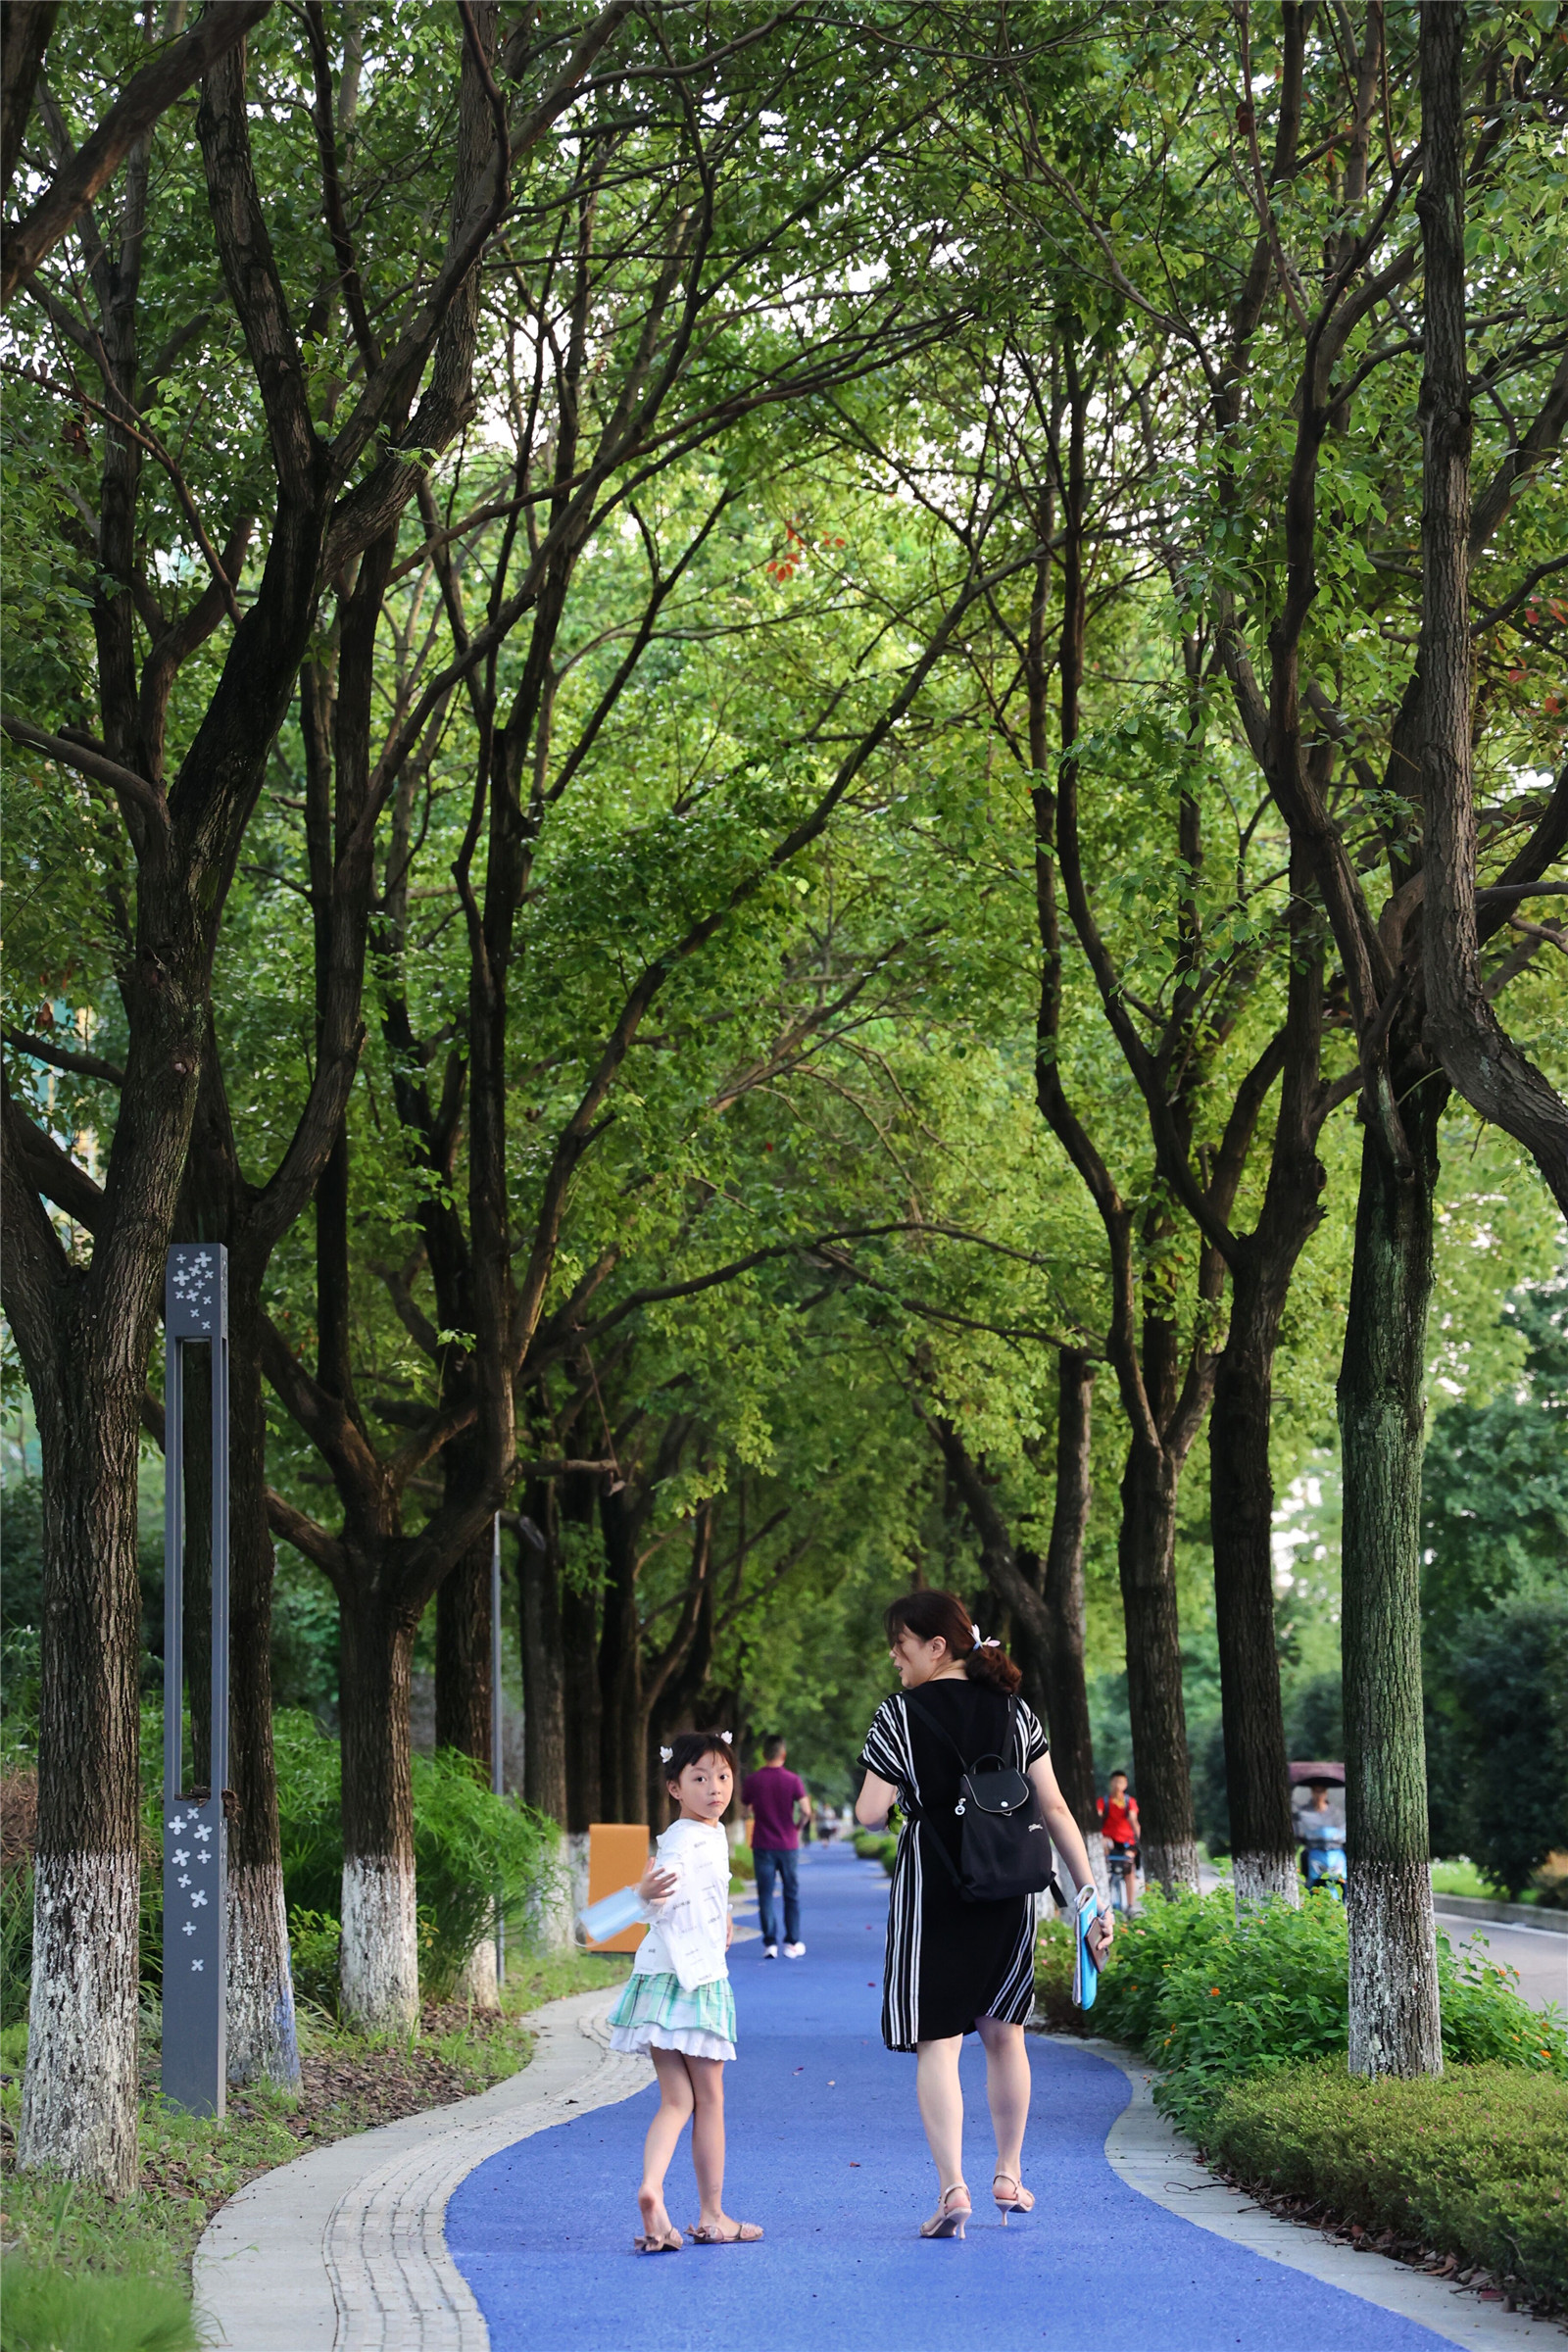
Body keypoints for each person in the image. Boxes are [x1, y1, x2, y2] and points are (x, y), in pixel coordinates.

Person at [856, 1590, 1113, 2241]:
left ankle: (952, 2188)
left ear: (936, 1646)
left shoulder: (898, 1715)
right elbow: (1056, 1809)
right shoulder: (1015, 1710)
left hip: (933, 1892)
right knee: (1006, 2036)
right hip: (1006, 1887)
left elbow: (868, 1812)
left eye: (900, 1646)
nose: (894, 1658)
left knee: (938, 2044)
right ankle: (1008, 2173)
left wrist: (905, 1803)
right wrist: (1089, 1898)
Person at [605, 1730, 763, 2251]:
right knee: (710, 2099)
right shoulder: (683, 1838)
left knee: (676, 2100)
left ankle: (652, 2188)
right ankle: (713, 2215)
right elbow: (661, 1891)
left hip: (658, 1978)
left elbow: (699, 1891)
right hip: (696, 1981)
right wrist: (644, 1896)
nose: (715, 1788)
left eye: (723, 1776)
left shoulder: (706, 1835)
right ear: (675, 1787)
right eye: (699, 1778)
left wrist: (724, 1916)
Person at [742, 1735, 812, 1958]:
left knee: (765, 1894)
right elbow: (806, 1810)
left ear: (764, 1754)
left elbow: (745, 1811)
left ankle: (770, 1944)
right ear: (783, 1754)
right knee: (791, 1892)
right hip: (788, 1844)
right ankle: (792, 1942)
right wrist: (798, 1826)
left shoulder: (753, 1780)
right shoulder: (793, 1780)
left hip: (762, 1843)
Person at [1098, 1770, 1141, 1913]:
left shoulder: (1130, 1802)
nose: (1118, 1785)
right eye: (1115, 1781)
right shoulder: (1104, 1801)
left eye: (1121, 1782)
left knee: (1129, 1869)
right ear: (1111, 1783)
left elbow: (1133, 1819)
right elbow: (1097, 1815)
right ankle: (1104, 1899)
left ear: (1126, 1784)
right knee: (1104, 1859)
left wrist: (1138, 1839)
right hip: (1109, 1840)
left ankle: (1130, 1906)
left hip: (1127, 1841)